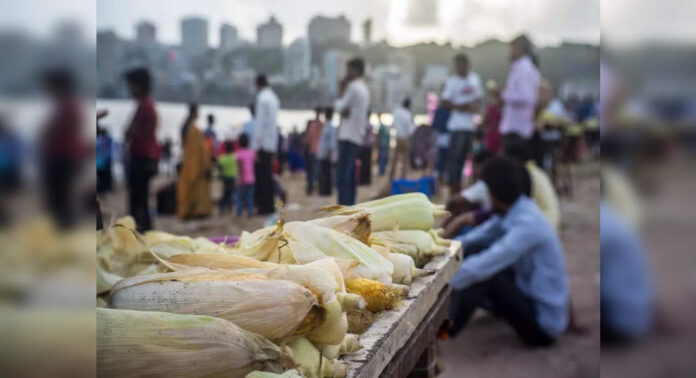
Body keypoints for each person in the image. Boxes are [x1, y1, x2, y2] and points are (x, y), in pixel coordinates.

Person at [449, 157, 569, 347]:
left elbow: (484, 264)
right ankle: (449, 318)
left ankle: (446, 330)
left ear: (493, 194)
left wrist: (440, 281)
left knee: (485, 273)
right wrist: (439, 251)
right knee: (474, 251)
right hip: (526, 292)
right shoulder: (513, 210)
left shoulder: (528, 223)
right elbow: (473, 239)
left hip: (543, 326)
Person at [440, 53, 484, 194]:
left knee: (467, 161)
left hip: (470, 126)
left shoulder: (475, 79)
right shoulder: (452, 82)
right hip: (456, 126)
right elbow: (444, 101)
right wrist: (462, 107)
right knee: (455, 161)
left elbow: (478, 100)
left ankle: (467, 191)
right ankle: (454, 191)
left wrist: (472, 106)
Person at [123, 68, 159, 232]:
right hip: (145, 157)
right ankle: (143, 230)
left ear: (138, 85)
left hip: (141, 158)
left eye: (130, 85)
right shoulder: (147, 105)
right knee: (141, 200)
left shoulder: (145, 106)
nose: (129, 88)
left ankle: (140, 232)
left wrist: (128, 132)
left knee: (138, 200)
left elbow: (134, 132)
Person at [334, 58, 370, 205]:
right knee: (350, 175)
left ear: (355, 70)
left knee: (343, 175)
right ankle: (350, 204)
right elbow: (346, 111)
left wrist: (341, 90)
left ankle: (343, 206)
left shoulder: (353, 87)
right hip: (357, 135)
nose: (346, 73)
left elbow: (340, 107)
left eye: (348, 70)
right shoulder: (364, 89)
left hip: (347, 135)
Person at [500, 34, 541, 154]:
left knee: (514, 167)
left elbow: (526, 97)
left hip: (517, 128)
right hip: (518, 127)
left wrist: (503, 94)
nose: (510, 52)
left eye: (511, 48)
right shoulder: (522, 68)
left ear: (519, 48)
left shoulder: (524, 69)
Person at [505, 143, 561, 231]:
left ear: (514, 160)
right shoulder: (537, 172)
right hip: (550, 224)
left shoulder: (526, 175)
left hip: (543, 227)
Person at [177, 103, 212, 220]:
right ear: (194, 112)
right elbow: (201, 148)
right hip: (195, 162)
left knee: (187, 186)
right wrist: (205, 162)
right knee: (197, 186)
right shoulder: (194, 129)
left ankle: (187, 210)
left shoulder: (186, 127)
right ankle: (197, 210)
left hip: (187, 161)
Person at [252, 74, 280, 215]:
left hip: (262, 143)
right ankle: (269, 204)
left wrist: (255, 146)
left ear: (258, 85)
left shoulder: (262, 98)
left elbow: (259, 124)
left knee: (261, 177)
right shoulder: (274, 98)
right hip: (271, 142)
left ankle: (263, 206)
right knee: (268, 176)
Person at [387, 98, 417, 181]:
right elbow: (410, 129)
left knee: (394, 160)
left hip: (398, 138)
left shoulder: (396, 112)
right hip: (405, 138)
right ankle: (403, 178)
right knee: (405, 160)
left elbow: (391, 125)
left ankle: (391, 178)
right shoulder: (407, 114)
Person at [317, 106, 338, 196]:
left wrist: (329, 154)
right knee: (324, 173)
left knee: (327, 174)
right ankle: (323, 190)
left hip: (327, 154)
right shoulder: (326, 126)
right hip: (323, 154)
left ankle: (327, 191)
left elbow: (331, 143)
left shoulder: (331, 128)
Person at [304, 107, 324, 195]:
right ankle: (317, 187)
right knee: (317, 170)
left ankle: (310, 187)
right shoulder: (322, 125)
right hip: (320, 151)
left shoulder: (313, 125)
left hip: (313, 150)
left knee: (311, 170)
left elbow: (309, 138)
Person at [236, 134, 256, 217]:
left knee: (240, 197)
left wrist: (239, 177)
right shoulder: (251, 152)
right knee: (249, 196)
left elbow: (239, 167)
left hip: (243, 179)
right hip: (251, 178)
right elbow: (255, 162)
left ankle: (239, 212)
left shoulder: (239, 153)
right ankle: (250, 212)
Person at [217, 141, 238, 214]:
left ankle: (222, 208)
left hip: (225, 178)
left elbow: (219, 166)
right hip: (233, 177)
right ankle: (229, 209)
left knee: (225, 193)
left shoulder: (222, 158)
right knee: (232, 193)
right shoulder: (234, 157)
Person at [483, 80, 503, 153]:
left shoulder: (501, 104)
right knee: (490, 152)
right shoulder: (489, 105)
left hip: (500, 132)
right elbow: (486, 119)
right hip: (491, 132)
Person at [96, 125, 113, 194]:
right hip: (105, 160)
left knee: (101, 176)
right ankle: (106, 188)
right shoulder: (108, 139)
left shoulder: (99, 140)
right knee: (106, 176)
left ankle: (102, 189)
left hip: (100, 161)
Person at [359, 112, 375, 185]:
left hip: (362, 146)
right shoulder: (370, 125)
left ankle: (362, 180)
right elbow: (372, 137)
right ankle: (367, 180)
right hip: (368, 146)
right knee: (367, 163)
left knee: (362, 164)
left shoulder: (363, 124)